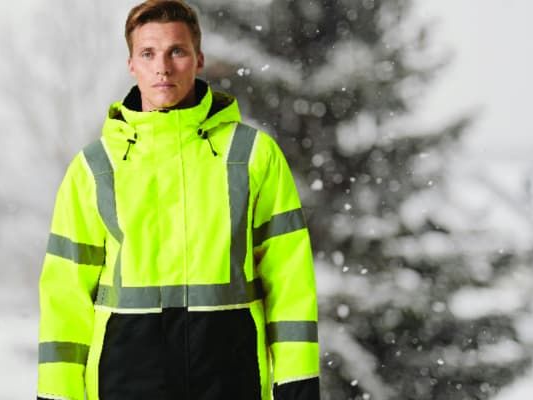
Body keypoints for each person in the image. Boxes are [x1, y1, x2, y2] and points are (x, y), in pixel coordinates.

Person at [36, 1, 320, 399]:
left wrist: (297, 385)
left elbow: (290, 284)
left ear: (199, 59)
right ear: (131, 63)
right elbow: (64, 299)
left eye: (177, 51)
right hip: (124, 382)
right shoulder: (93, 168)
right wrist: (56, 394)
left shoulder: (254, 155)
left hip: (230, 379)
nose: (162, 67)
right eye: (148, 53)